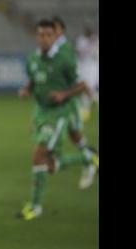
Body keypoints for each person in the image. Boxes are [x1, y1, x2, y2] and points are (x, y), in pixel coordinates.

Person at [17, 19, 99, 221]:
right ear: (36, 37)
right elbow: (34, 79)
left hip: (59, 114)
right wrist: (27, 89)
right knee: (50, 165)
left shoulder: (64, 59)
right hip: (42, 113)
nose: (44, 38)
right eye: (41, 35)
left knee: (39, 157)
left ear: (55, 37)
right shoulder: (32, 59)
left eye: (48, 35)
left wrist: (64, 94)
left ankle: (35, 207)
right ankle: (88, 158)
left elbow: (82, 85)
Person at [52, 16, 98, 189]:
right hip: (62, 106)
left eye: (53, 31)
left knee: (46, 159)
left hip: (65, 107)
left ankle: (92, 160)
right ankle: (90, 161)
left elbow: (79, 83)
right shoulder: (59, 49)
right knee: (78, 139)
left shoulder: (64, 51)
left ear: (60, 31)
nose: (49, 35)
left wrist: (64, 95)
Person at [75, 24, 99, 122]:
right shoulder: (81, 40)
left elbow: (95, 54)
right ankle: (86, 108)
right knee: (83, 88)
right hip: (83, 67)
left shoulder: (95, 40)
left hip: (93, 67)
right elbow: (78, 51)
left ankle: (85, 109)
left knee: (88, 87)